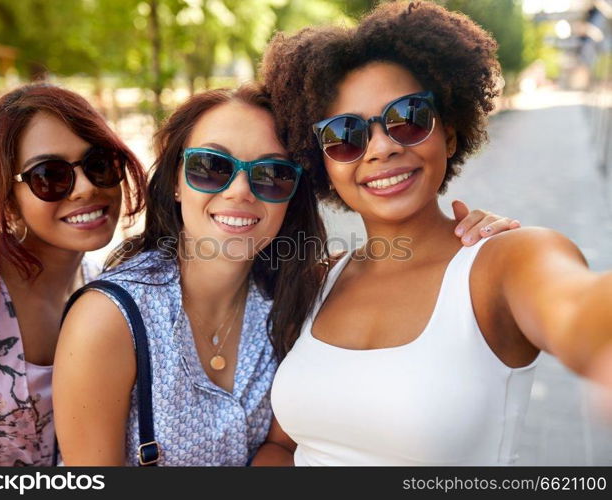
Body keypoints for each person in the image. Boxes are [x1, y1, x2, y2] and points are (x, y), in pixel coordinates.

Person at [52, 83, 512, 466]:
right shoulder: (108, 322)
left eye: (271, 174)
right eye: (211, 168)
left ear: (291, 196)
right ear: (175, 180)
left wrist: (471, 240)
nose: (239, 191)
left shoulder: (301, 296)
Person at [259, 1, 612, 465]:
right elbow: (283, 445)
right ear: (323, 163)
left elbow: (576, 306)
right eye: (346, 134)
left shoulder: (506, 261)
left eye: (407, 117)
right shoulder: (319, 278)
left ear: (447, 132)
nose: (382, 147)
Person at [0, 83, 147, 466]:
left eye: (99, 163)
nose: (85, 188)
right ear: (9, 199)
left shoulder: (103, 298)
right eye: (50, 176)